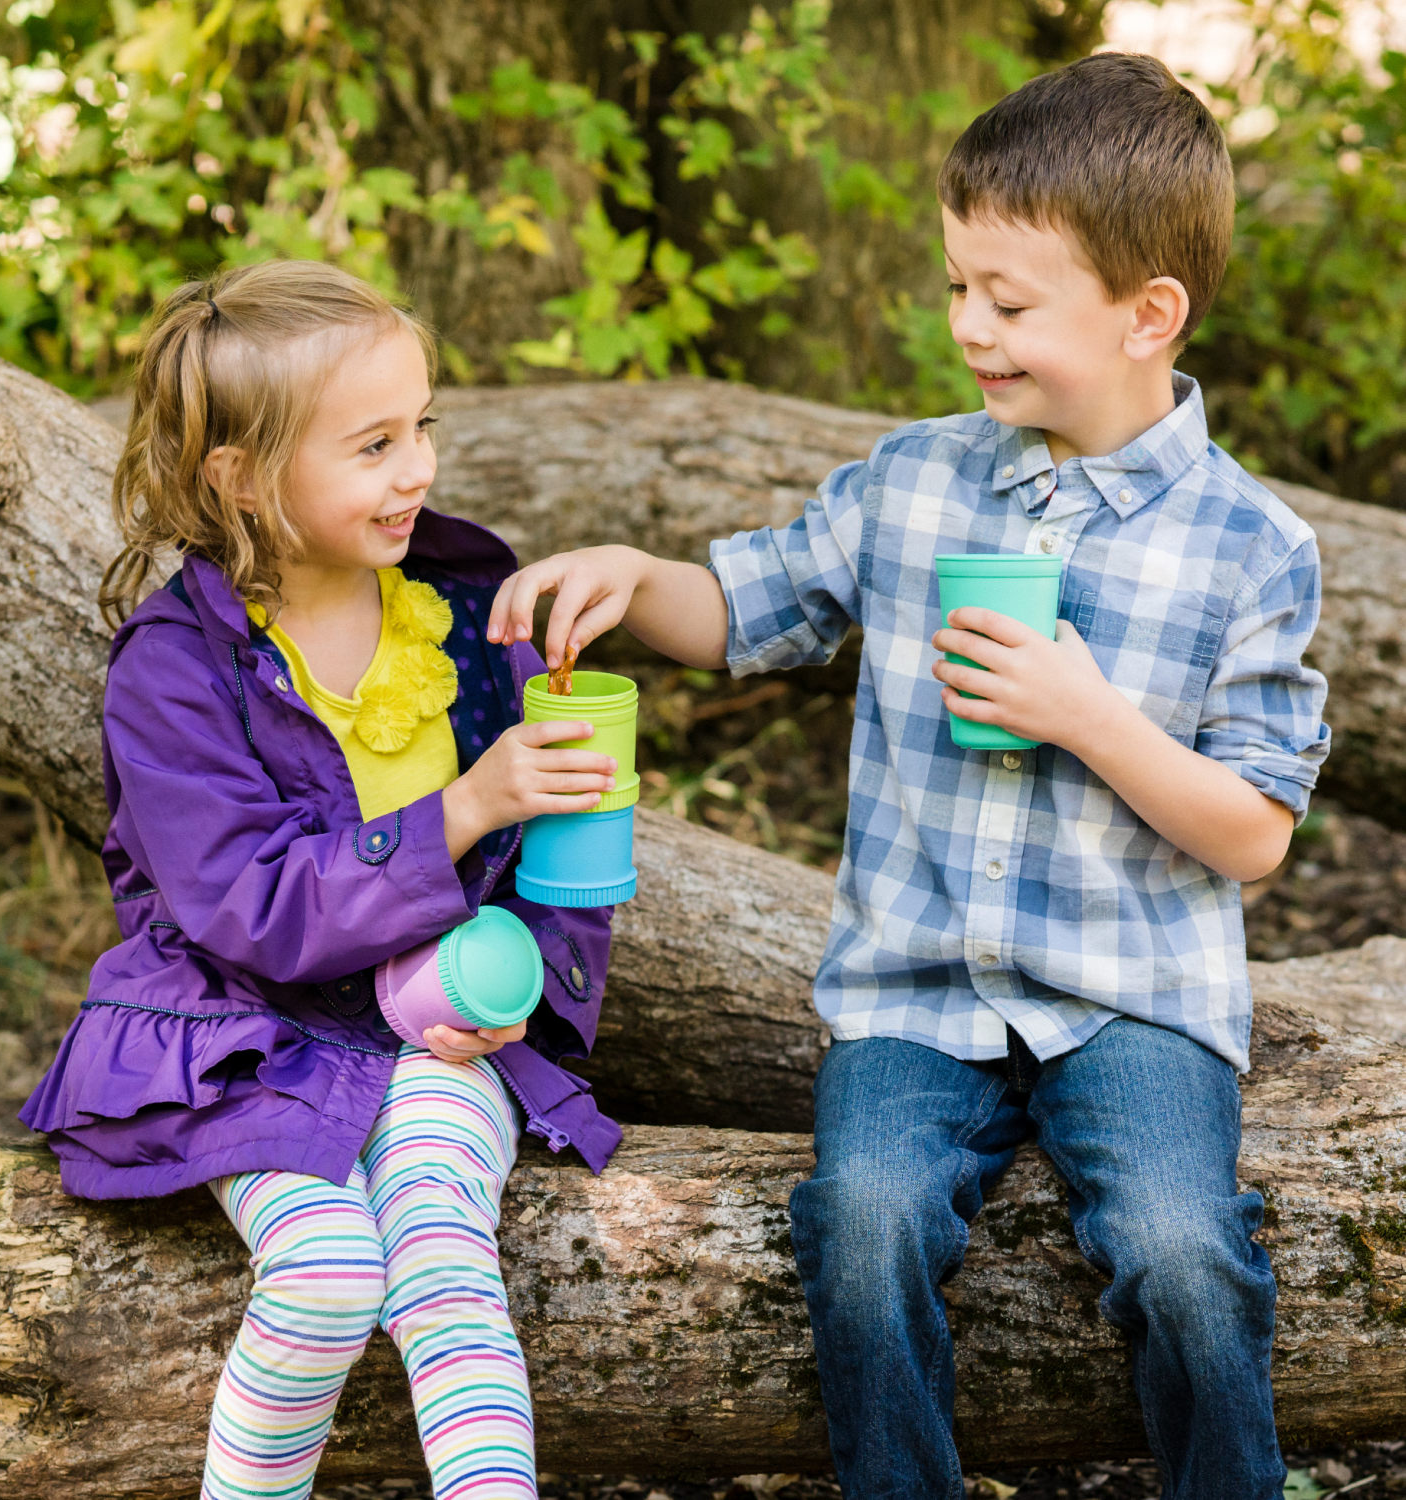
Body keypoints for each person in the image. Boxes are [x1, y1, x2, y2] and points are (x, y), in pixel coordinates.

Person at [485, 53, 1329, 1500]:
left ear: (1149, 315)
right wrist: (640, 579)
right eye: (957, 289)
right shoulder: (914, 482)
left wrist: (1091, 716)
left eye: (1009, 301)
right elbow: (750, 612)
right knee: (861, 1220)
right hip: (915, 991)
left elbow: (1252, 833)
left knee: (1187, 1251)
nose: (969, 330)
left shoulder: (1254, 548)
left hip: (1134, 992)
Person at [19, 258, 624, 1500]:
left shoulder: (464, 608)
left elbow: (561, 862)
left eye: (423, 430)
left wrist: (524, 989)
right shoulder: (176, 670)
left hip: (438, 1034)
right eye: (373, 445)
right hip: (242, 1033)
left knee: (449, 1256)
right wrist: (464, 805)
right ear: (239, 477)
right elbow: (247, 904)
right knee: (329, 1272)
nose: (418, 471)